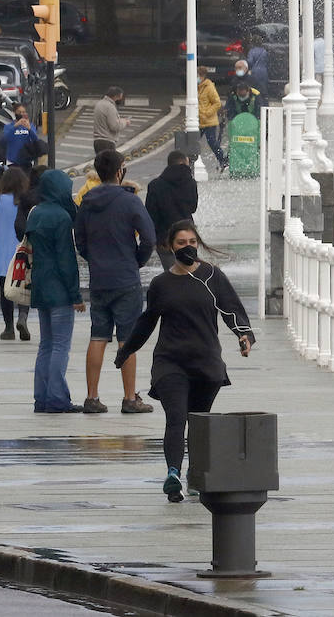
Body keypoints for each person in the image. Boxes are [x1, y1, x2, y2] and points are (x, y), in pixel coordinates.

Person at [114, 221, 254, 502]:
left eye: (192, 241)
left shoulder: (213, 275)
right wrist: (127, 350)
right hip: (170, 363)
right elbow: (147, 321)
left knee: (198, 423)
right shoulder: (161, 284)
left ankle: (195, 475)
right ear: (169, 247)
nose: (188, 247)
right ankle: (173, 475)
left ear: (198, 244)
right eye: (181, 243)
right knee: (176, 419)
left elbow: (232, 309)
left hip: (206, 363)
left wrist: (244, 335)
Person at [75, 148, 156, 414]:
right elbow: (149, 239)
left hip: (99, 279)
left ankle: (91, 397)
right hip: (125, 278)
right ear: (120, 171)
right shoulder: (130, 201)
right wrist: (137, 260)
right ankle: (130, 397)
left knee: (98, 335)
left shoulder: (87, 201)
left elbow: (81, 242)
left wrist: (95, 259)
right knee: (127, 338)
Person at [27, 169, 85, 413]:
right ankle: (58, 398)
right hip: (59, 290)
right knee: (61, 346)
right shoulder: (61, 217)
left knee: (46, 345)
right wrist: (76, 295)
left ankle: (41, 397)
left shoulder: (35, 213)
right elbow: (66, 260)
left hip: (40, 287)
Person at [0, 167, 32, 341]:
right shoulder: (24, 202)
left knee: (5, 291)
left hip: (2, 252)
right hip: (21, 250)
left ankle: (8, 328)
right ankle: (23, 317)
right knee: (23, 287)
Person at [145, 151, 197, 270]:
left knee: (170, 273)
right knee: (188, 271)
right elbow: (193, 208)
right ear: (184, 163)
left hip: (164, 236)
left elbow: (150, 214)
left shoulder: (155, 185)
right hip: (187, 234)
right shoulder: (191, 183)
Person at [196, 65, 226, 172]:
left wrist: (206, 113)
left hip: (209, 121)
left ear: (202, 75)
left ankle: (223, 160)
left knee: (212, 142)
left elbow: (217, 103)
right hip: (198, 121)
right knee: (192, 141)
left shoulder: (209, 87)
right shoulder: (197, 87)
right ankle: (191, 161)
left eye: (198, 75)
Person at [0, 103, 41, 168]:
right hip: (12, 161)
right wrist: (15, 126)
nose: (21, 114)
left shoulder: (30, 125)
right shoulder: (8, 126)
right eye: (19, 112)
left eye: (23, 112)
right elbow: (5, 139)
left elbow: (35, 140)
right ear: (14, 113)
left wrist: (29, 129)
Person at [92, 87, 130, 154]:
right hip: (107, 142)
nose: (121, 99)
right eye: (120, 97)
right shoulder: (110, 107)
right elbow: (114, 126)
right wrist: (125, 122)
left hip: (97, 142)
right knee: (110, 164)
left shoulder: (99, 104)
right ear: (115, 96)